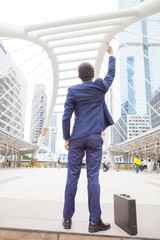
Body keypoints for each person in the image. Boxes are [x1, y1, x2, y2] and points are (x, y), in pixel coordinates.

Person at [62, 41, 116, 233]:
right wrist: (111, 55)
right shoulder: (100, 86)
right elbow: (110, 76)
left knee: (72, 178)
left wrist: (66, 137)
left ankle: (66, 219)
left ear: (79, 76)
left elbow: (66, 116)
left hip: (76, 138)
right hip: (94, 138)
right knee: (93, 178)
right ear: (93, 76)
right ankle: (94, 222)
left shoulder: (72, 90)